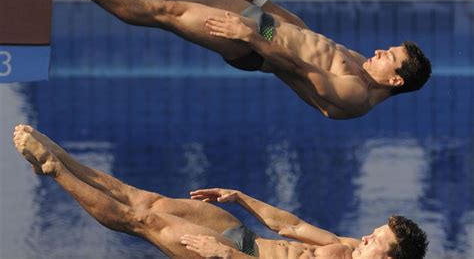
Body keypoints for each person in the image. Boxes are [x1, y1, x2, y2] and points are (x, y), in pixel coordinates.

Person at [13, 124, 428, 258]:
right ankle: (61, 156)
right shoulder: (345, 247)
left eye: (378, 240)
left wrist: (226, 255)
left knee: (141, 220)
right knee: (144, 198)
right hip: (242, 236)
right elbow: (292, 225)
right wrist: (241, 197)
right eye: (376, 230)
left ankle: (54, 171)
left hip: (232, 256)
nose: (368, 236)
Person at [81, 0, 431, 119]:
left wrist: (249, 35)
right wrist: (260, 2)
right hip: (264, 25)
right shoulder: (359, 63)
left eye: (390, 56)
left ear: (396, 79)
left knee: (163, 10)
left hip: (251, 45)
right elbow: (305, 36)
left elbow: (294, 65)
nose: (381, 51)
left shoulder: (356, 94)